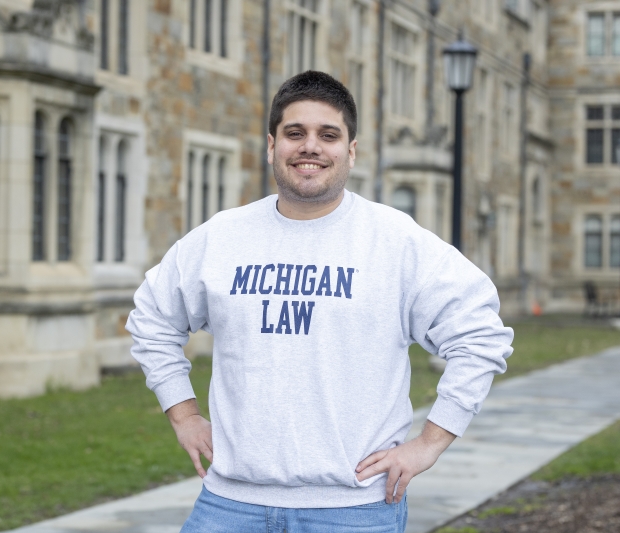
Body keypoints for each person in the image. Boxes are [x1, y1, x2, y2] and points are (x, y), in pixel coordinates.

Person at [126, 70, 513, 532]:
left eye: (328, 135)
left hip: (354, 510)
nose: (310, 146)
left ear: (350, 151)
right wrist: (183, 414)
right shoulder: (221, 238)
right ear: (272, 146)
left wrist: (429, 442)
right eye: (295, 133)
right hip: (230, 505)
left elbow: (481, 335)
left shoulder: (395, 242)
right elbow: (151, 319)